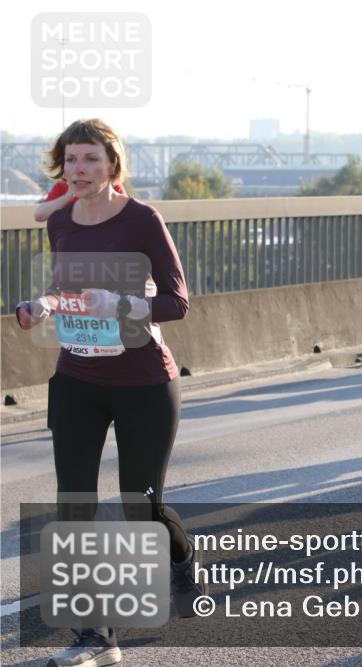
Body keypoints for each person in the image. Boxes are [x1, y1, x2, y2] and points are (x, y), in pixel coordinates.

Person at [15, 119, 201, 667]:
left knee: (141, 506)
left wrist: (119, 305)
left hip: (144, 381)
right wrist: (43, 305)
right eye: (71, 160)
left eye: (91, 159)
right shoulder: (62, 221)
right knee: (74, 503)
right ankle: (96, 635)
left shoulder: (143, 219)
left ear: (113, 165)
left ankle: (182, 559)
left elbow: (177, 302)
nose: (79, 170)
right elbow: (65, 287)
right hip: (78, 379)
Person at [34, 178, 126, 222]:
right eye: (71, 160)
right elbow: (39, 215)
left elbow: (126, 215)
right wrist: (66, 198)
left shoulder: (111, 185)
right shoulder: (63, 185)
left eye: (91, 159)